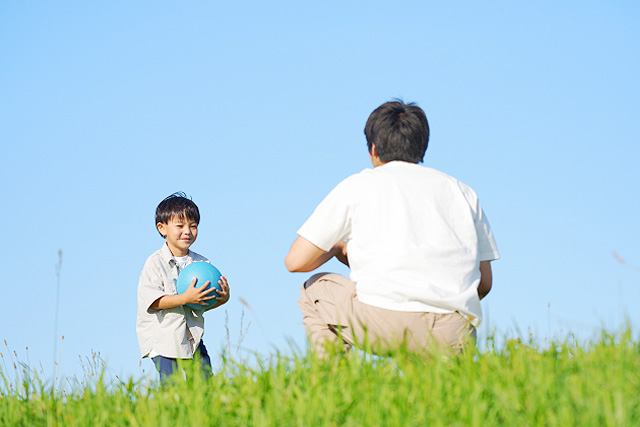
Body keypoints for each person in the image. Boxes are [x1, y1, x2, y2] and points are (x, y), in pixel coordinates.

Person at [285, 100, 499, 357]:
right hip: (453, 334)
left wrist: (339, 249)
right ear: (421, 148)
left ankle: (334, 386)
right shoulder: (463, 192)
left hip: (383, 324)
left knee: (315, 289)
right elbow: (484, 282)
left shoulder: (358, 185)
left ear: (373, 149)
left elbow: (296, 261)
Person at [136, 192, 230, 382]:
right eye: (180, 226)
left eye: (193, 226)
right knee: (173, 387)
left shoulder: (202, 264)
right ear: (162, 228)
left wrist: (222, 298)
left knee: (205, 382)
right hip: (164, 340)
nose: (187, 231)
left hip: (191, 338)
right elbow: (154, 302)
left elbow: (201, 303)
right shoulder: (155, 263)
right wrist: (185, 298)